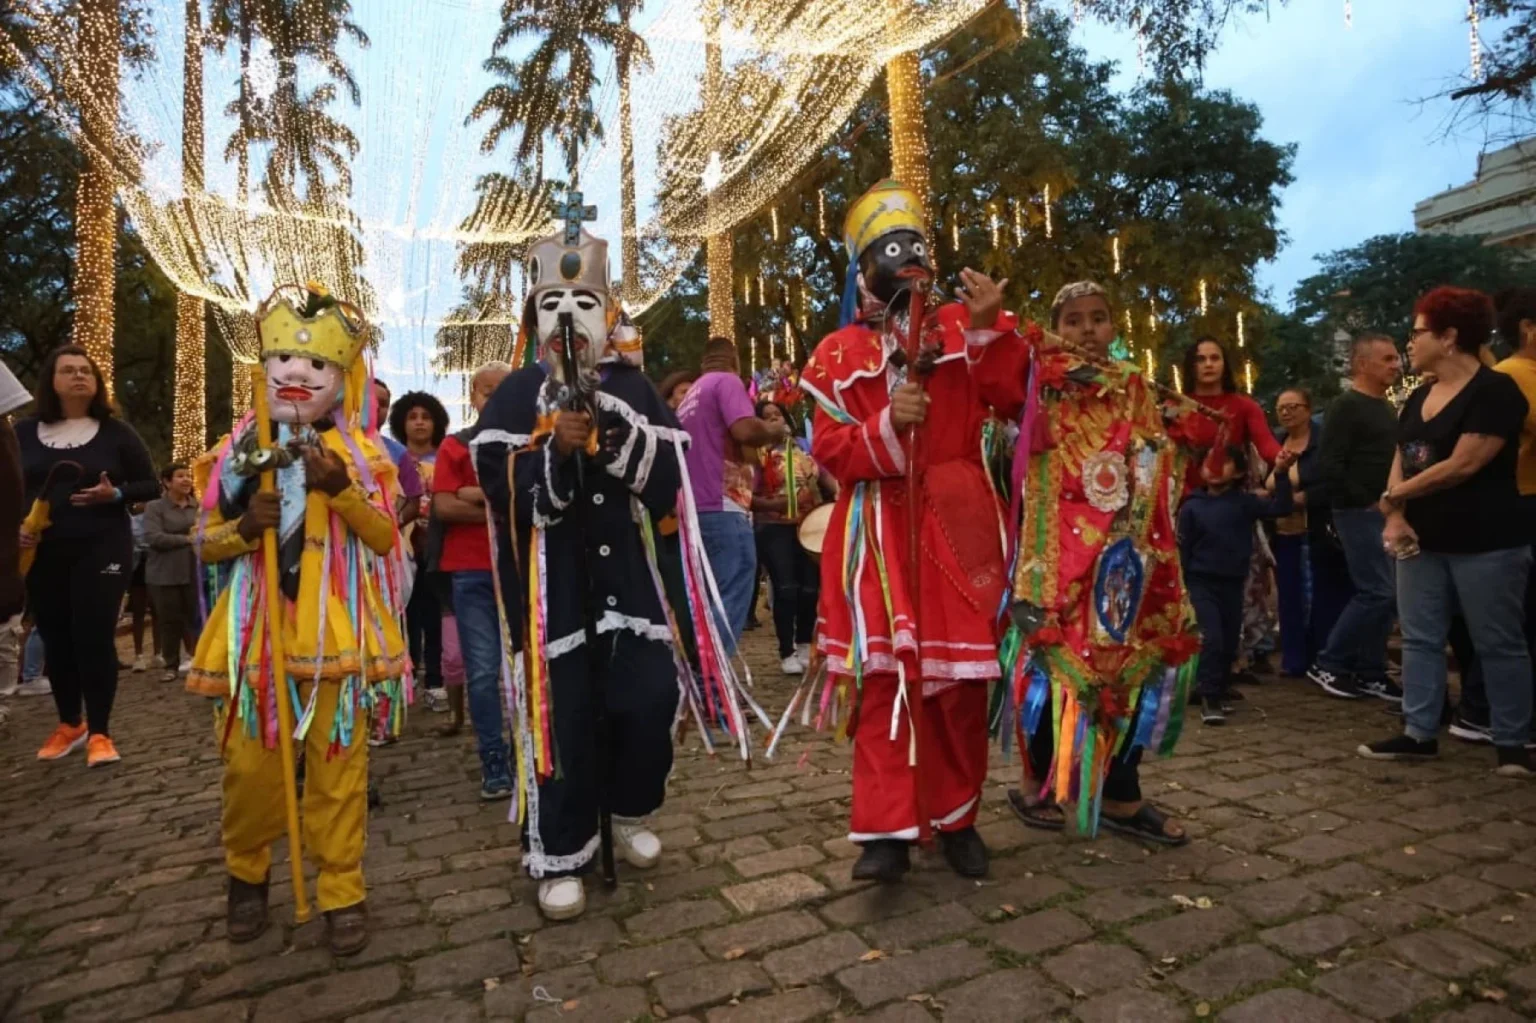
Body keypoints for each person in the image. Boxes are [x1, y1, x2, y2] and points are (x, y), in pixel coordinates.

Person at [474, 216, 748, 922]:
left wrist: (608, 436)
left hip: (630, 582)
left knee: (647, 696)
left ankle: (629, 807)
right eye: (553, 305)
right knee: (564, 714)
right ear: (533, 315)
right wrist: (555, 455)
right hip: (555, 589)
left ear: (610, 313)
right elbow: (503, 491)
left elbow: (669, 482)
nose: (569, 316)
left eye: (585, 304)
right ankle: (562, 846)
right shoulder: (511, 397)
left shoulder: (637, 389)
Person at [801, 180, 1028, 883]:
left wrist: (993, 331)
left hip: (959, 524)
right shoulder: (837, 352)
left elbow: (1015, 403)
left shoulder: (967, 324)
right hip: (875, 530)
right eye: (890, 247)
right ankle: (887, 831)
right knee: (884, 680)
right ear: (862, 268)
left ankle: (958, 817)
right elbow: (829, 450)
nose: (908, 257)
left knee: (959, 685)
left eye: (916, 245)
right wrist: (886, 425)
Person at [186, 284, 407, 955]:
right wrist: (240, 528)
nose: (295, 372)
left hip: (334, 630)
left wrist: (339, 491)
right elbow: (205, 540)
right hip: (255, 632)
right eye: (282, 356)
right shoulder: (236, 449)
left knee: (339, 770)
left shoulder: (366, 455)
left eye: (315, 365)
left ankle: (342, 889)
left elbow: (384, 538)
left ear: (342, 379)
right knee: (249, 768)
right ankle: (245, 875)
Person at [1004, 282, 1205, 847]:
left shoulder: (1136, 388)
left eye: (1098, 319)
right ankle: (1035, 783)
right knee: (1049, 665)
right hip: (1056, 553)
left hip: (1125, 555)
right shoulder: (1033, 382)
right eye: (1073, 321)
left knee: (1131, 662)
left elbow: (1152, 454)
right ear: (1056, 328)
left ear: (1115, 329)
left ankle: (1122, 793)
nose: (1087, 330)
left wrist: (1178, 439)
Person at [1359, 287, 1532, 775]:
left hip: (1488, 541)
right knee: (1418, 637)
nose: (1409, 343)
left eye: (1417, 333)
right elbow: (1403, 453)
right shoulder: (1417, 395)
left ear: (1450, 336)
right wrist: (1395, 513)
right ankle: (1418, 732)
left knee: (1497, 641)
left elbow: (1463, 465)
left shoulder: (1496, 392)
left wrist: (1397, 497)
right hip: (1422, 539)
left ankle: (1513, 743)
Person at [17, 346, 157, 767]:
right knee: (56, 637)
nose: (79, 376)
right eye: (68, 370)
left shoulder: (118, 433)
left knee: (94, 636)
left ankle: (100, 731)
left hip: (102, 545)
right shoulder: (22, 433)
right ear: (51, 380)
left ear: (96, 382)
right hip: (42, 550)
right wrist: (15, 527)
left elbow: (149, 485)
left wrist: (114, 493)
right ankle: (69, 723)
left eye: (86, 371)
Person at [1443, 288, 1536, 744]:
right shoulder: (1508, 378)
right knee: (1510, 624)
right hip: (1517, 505)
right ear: (1527, 329)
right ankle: (1484, 711)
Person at [431, 361, 513, 796]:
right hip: (471, 572)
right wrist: (502, 505)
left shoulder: (527, 444)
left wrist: (476, 494)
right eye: (485, 391)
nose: (493, 398)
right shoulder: (454, 446)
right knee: (482, 672)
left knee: (525, 668)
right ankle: (493, 758)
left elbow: (533, 501)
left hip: (520, 571)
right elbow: (442, 508)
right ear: (473, 395)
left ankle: (528, 750)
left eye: (502, 390)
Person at [677, 338, 790, 647]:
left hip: (695, 509)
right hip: (723, 507)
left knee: (705, 600)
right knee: (731, 593)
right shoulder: (725, 381)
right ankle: (711, 684)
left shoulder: (692, 395)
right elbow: (745, 430)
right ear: (734, 361)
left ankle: (699, 676)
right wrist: (776, 430)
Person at [1309, 334, 1403, 700]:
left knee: (1387, 594)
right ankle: (1330, 663)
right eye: (1387, 359)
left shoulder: (1386, 407)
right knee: (1376, 591)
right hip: (1360, 512)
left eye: (1396, 358)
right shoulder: (1346, 406)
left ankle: (1370, 670)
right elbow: (1330, 463)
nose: (1396, 365)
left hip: (1384, 511)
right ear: (1362, 364)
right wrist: (1362, 501)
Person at [1181, 445, 1297, 724]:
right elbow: (1184, 549)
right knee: (1212, 637)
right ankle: (1210, 697)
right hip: (1201, 582)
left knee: (1230, 639)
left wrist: (1281, 473)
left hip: (1234, 583)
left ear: (1240, 471)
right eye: (1211, 460)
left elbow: (1282, 507)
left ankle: (1216, 687)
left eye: (1225, 462)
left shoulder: (1244, 503)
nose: (1216, 467)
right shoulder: (1192, 506)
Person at [750, 399, 821, 674]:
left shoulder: (804, 449)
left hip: (807, 526)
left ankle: (804, 644)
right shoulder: (755, 455)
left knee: (810, 588)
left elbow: (824, 478)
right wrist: (773, 506)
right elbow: (746, 495)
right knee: (786, 588)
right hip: (773, 528)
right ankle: (786, 651)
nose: (775, 420)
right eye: (767, 417)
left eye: (778, 415)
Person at [390, 391, 450, 707]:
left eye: (426, 417)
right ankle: (408, 671)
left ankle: (436, 679)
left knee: (434, 615)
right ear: (401, 422)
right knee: (406, 613)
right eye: (412, 417)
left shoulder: (446, 457)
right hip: (401, 549)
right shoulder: (392, 460)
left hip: (438, 547)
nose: (419, 423)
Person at [1267, 389, 1326, 677]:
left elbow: (1329, 481)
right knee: (1288, 596)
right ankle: (1293, 659)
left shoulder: (1322, 442)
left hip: (1315, 527)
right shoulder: (1275, 441)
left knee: (1316, 594)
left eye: (1293, 407)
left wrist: (1304, 497)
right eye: (1281, 408)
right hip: (1281, 529)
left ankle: (1319, 656)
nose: (1287, 413)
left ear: (1308, 409)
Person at [143, 464, 202, 683]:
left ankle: (198, 659)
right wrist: (188, 539)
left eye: (188, 476)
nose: (186, 480)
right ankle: (171, 664)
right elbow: (154, 537)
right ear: (167, 482)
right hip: (164, 573)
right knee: (169, 620)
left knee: (195, 618)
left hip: (192, 570)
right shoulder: (155, 508)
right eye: (180, 476)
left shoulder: (197, 506)